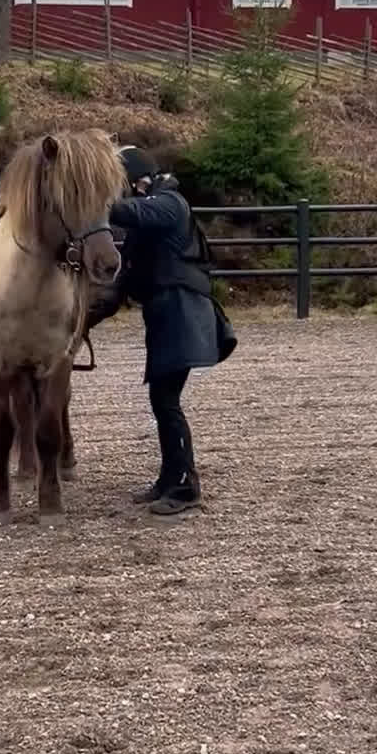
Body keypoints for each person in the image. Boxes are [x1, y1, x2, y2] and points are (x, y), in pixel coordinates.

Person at [108, 145, 236, 516]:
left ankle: (185, 487)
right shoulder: (160, 204)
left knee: (167, 402)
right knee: (162, 402)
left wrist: (89, 199)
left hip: (180, 312)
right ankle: (170, 479)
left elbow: (128, 212)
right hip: (170, 312)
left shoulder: (170, 203)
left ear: (138, 181)